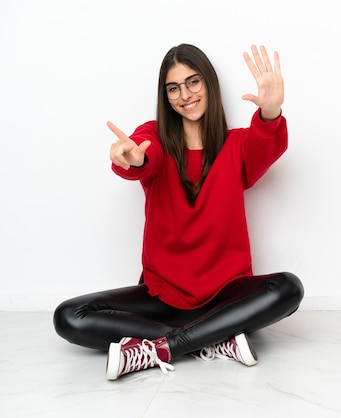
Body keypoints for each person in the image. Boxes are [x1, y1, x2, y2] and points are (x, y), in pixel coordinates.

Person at [53, 44, 304, 380]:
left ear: (209, 84)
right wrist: (133, 157)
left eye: (193, 82)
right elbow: (143, 156)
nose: (184, 94)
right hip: (163, 295)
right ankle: (214, 339)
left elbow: (266, 143)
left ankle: (164, 346)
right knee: (69, 315)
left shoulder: (237, 146)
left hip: (225, 295)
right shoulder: (154, 136)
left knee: (289, 288)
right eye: (173, 87)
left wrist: (271, 112)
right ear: (165, 95)